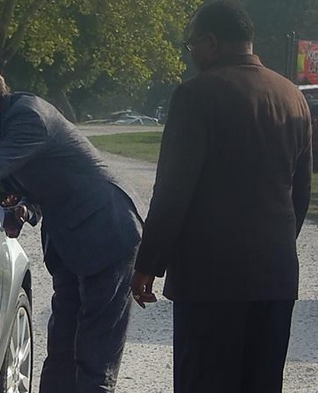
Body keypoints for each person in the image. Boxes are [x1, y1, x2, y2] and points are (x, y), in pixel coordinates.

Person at [0, 55, 143, 393]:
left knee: (95, 359)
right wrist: (23, 208)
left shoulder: (27, 116)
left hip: (105, 233)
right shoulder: (4, 124)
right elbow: (32, 180)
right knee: (61, 351)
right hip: (71, 241)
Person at [131, 1, 312, 392]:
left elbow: (173, 191)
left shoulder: (197, 95)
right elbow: (300, 194)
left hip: (211, 279)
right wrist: (273, 245)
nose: (191, 52)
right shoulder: (292, 96)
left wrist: (148, 263)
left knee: (206, 382)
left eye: (191, 43)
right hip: (276, 275)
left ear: (210, 42)